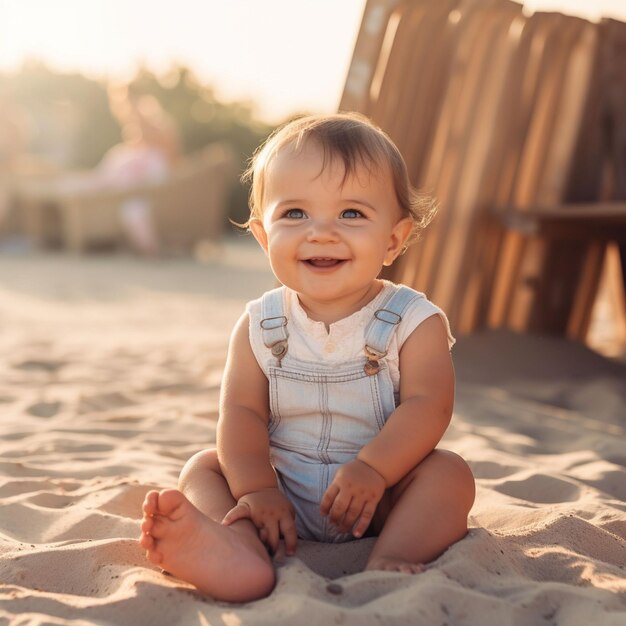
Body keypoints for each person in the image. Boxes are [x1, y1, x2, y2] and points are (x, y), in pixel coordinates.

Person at [139, 112, 476, 602]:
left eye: (351, 214)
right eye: (295, 214)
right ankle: (238, 548)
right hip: (282, 502)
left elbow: (429, 407)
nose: (321, 232)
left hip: (381, 502)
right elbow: (242, 413)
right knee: (204, 467)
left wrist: (375, 470)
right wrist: (257, 490)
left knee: (449, 474)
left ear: (393, 240)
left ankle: (391, 556)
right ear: (262, 235)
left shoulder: (414, 320)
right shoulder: (259, 324)